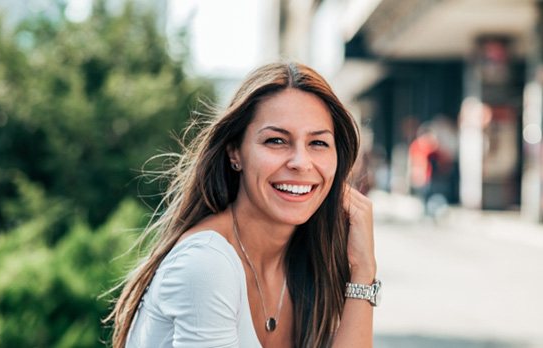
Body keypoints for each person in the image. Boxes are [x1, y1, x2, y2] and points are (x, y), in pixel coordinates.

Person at [105, 62, 380, 348]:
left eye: (318, 143)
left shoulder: (306, 258)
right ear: (235, 152)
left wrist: (363, 269)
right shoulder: (207, 263)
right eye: (276, 141)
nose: (301, 162)